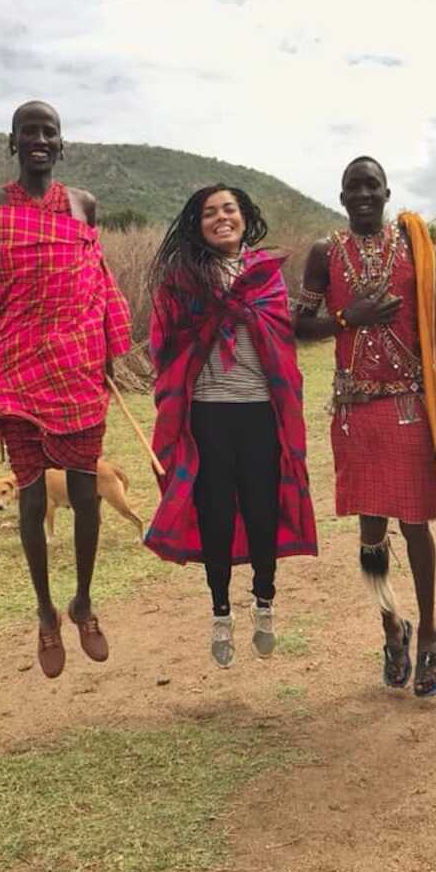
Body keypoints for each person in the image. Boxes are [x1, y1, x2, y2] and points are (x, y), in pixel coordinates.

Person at [0, 100, 131, 678]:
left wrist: (103, 337)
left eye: (47, 132)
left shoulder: (83, 205)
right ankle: (45, 611)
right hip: (18, 372)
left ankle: (82, 601)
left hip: (77, 368)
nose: (38, 139)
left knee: (85, 497)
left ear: (61, 144)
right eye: (27, 131)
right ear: (13, 143)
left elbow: (95, 274)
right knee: (32, 498)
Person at [144, 184, 317, 667]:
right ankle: (220, 612)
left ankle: (264, 600)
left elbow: (282, 342)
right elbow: (165, 347)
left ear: (244, 217)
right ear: (196, 224)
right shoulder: (182, 280)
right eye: (208, 213)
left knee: (263, 513)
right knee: (216, 517)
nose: (221, 218)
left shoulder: (266, 278)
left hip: (260, 412)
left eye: (229, 210)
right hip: (206, 415)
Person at [295, 157, 436, 697]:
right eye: (352, 187)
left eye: (371, 185)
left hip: (407, 404)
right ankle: (391, 626)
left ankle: (428, 633)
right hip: (355, 410)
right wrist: (346, 318)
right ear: (341, 196)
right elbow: (298, 324)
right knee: (369, 532)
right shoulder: (324, 252)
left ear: (386, 191)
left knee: (415, 525)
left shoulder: (414, 243)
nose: (362, 194)